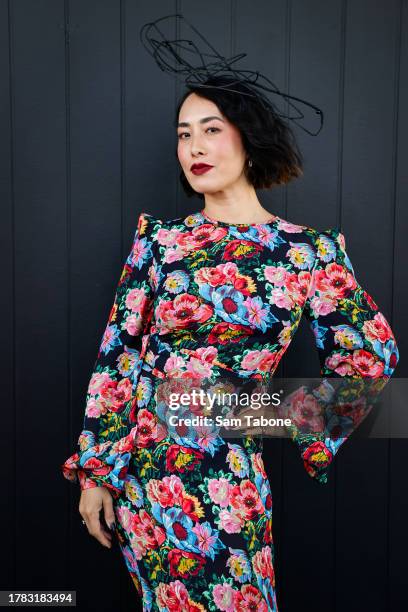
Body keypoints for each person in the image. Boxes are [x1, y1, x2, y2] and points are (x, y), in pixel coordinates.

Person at [61, 76, 399, 611]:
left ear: (249, 139)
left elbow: (369, 357)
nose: (194, 146)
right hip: (148, 476)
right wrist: (95, 473)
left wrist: (263, 411)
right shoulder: (159, 241)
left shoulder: (309, 252)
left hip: (230, 480)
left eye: (211, 129)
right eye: (183, 134)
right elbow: (117, 357)